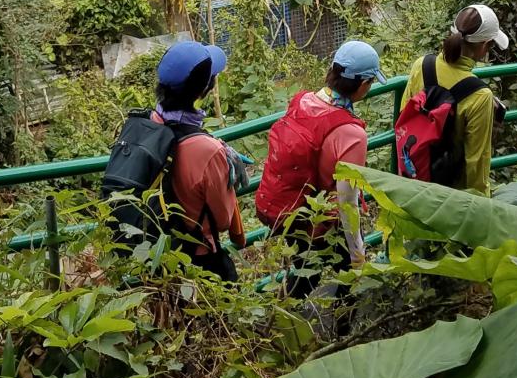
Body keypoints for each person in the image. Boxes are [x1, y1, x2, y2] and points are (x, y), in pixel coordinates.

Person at [101, 40, 246, 281]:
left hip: (156, 260)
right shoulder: (207, 149)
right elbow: (222, 220)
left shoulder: (147, 125)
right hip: (198, 259)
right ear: (204, 89)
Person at [255, 40, 381, 296]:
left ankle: (283, 313)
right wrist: (358, 254)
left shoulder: (303, 101)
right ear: (363, 84)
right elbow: (348, 202)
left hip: (296, 211)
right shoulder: (352, 133)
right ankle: (345, 318)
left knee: (305, 274)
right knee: (349, 280)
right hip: (326, 222)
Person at [398, 4, 507, 193]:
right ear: (484, 45)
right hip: (450, 194)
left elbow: (403, 116)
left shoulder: (422, 65)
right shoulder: (480, 95)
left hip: (413, 179)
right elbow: (476, 162)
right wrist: (481, 203)